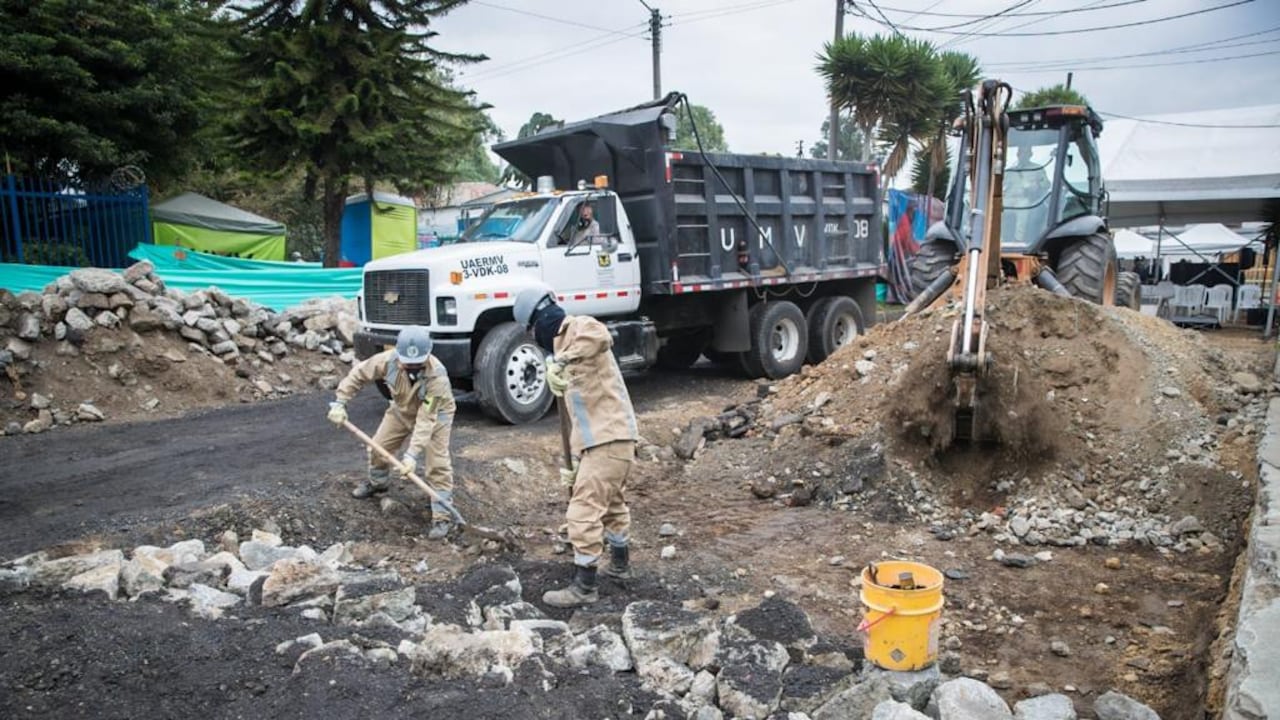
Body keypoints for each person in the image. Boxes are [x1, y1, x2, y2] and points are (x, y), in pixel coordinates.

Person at [514, 284, 638, 608]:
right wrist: (578, 463)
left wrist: (561, 360)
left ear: (538, 322)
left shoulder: (578, 327)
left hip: (609, 438)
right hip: (603, 442)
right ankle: (620, 566)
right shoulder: (561, 351)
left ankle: (584, 587)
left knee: (582, 511)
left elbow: (600, 335)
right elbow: (580, 414)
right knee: (611, 505)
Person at [326, 325, 458, 540]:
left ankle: (443, 516)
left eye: (418, 364)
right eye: (408, 363)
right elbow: (358, 374)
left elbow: (426, 420)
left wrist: (411, 455)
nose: (412, 368)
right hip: (401, 409)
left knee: (437, 464)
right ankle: (378, 483)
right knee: (379, 447)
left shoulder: (437, 378)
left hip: (435, 415)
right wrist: (340, 403)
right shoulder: (387, 360)